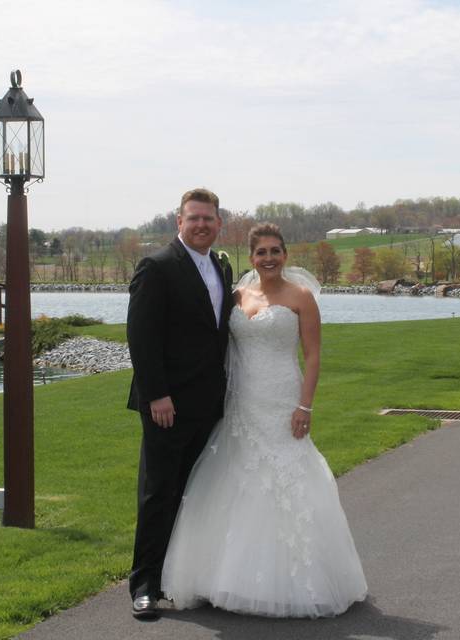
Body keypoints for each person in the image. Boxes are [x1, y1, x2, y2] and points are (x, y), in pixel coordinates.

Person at [161, 223, 368, 618]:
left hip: (282, 399)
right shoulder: (237, 295)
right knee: (236, 477)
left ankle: (297, 580)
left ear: (285, 254)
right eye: (261, 252)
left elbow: (313, 357)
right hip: (241, 402)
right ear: (251, 257)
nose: (269, 258)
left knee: (287, 477)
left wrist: (304, 407)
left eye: (275, 251)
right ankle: (225, 578)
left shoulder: (301, 297)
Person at [126, 188, 234, 620]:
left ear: (218, 223)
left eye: (208, 218)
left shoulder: (222, 267)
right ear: (179, 222)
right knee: (159, 492)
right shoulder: (157, 267)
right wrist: (156, 394)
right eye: (194, 218)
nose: (201, 225)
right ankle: (145, 585)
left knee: (196, 493)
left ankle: (179, 576)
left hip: (209, 403)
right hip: (166, 405)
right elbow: (141, 336)